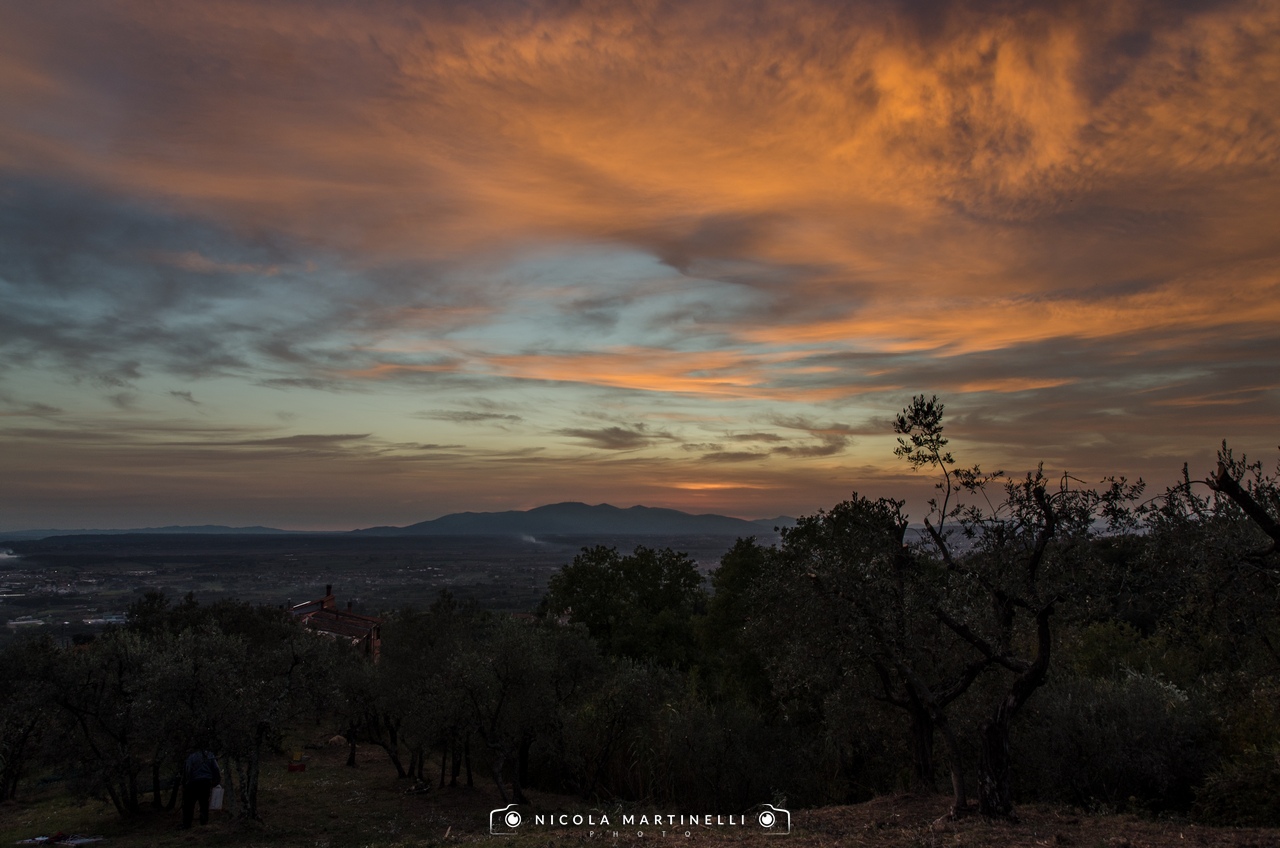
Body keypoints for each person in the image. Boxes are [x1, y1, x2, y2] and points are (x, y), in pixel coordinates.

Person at [181, 745, 221, 828]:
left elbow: (188, 769)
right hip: (206, 782)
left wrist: (185, 783)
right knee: (204, 803)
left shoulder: (191, 757)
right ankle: (204, 822)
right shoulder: (210, 755)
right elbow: (216, 768)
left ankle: (187, 824)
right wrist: (216, 780)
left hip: (193, 782)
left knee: (189, 804)